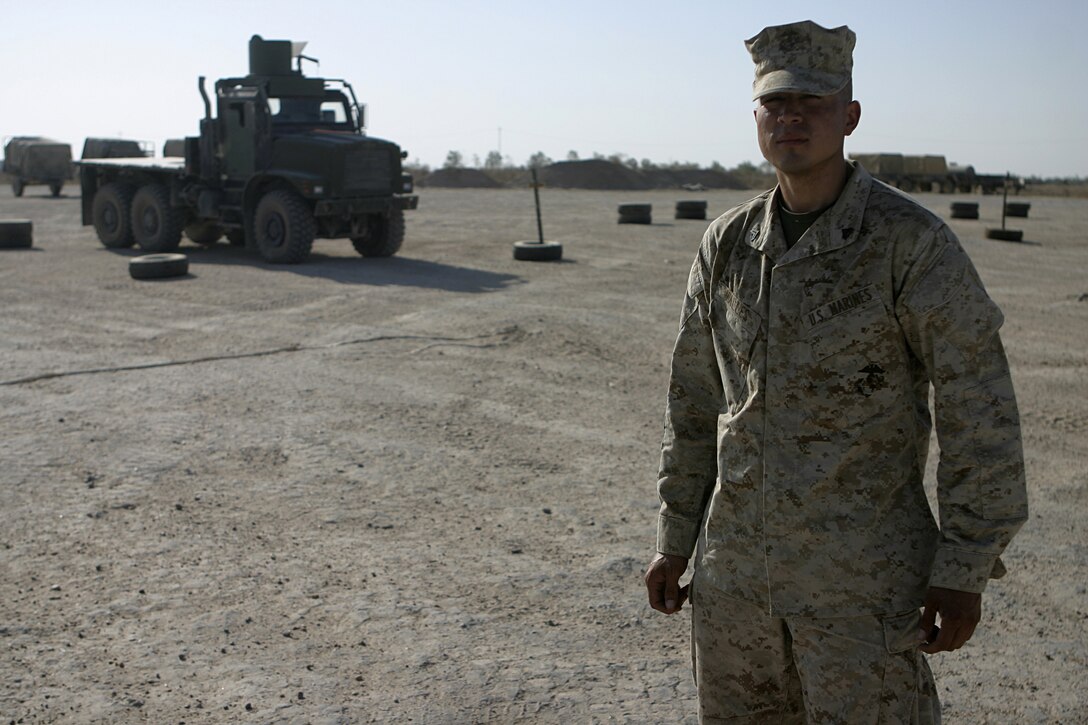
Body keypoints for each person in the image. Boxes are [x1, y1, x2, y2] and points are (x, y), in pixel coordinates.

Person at [644, 20, 1028, 723]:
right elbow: (694, 403)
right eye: (775, 103)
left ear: (849, 116)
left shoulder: (909, 245)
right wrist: (675, 536)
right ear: (756, 118)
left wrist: (963, 567)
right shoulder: (727, 244)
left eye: (812, 103)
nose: (791, 117)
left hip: (861, 595)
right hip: (737, 593)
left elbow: (980, 408)